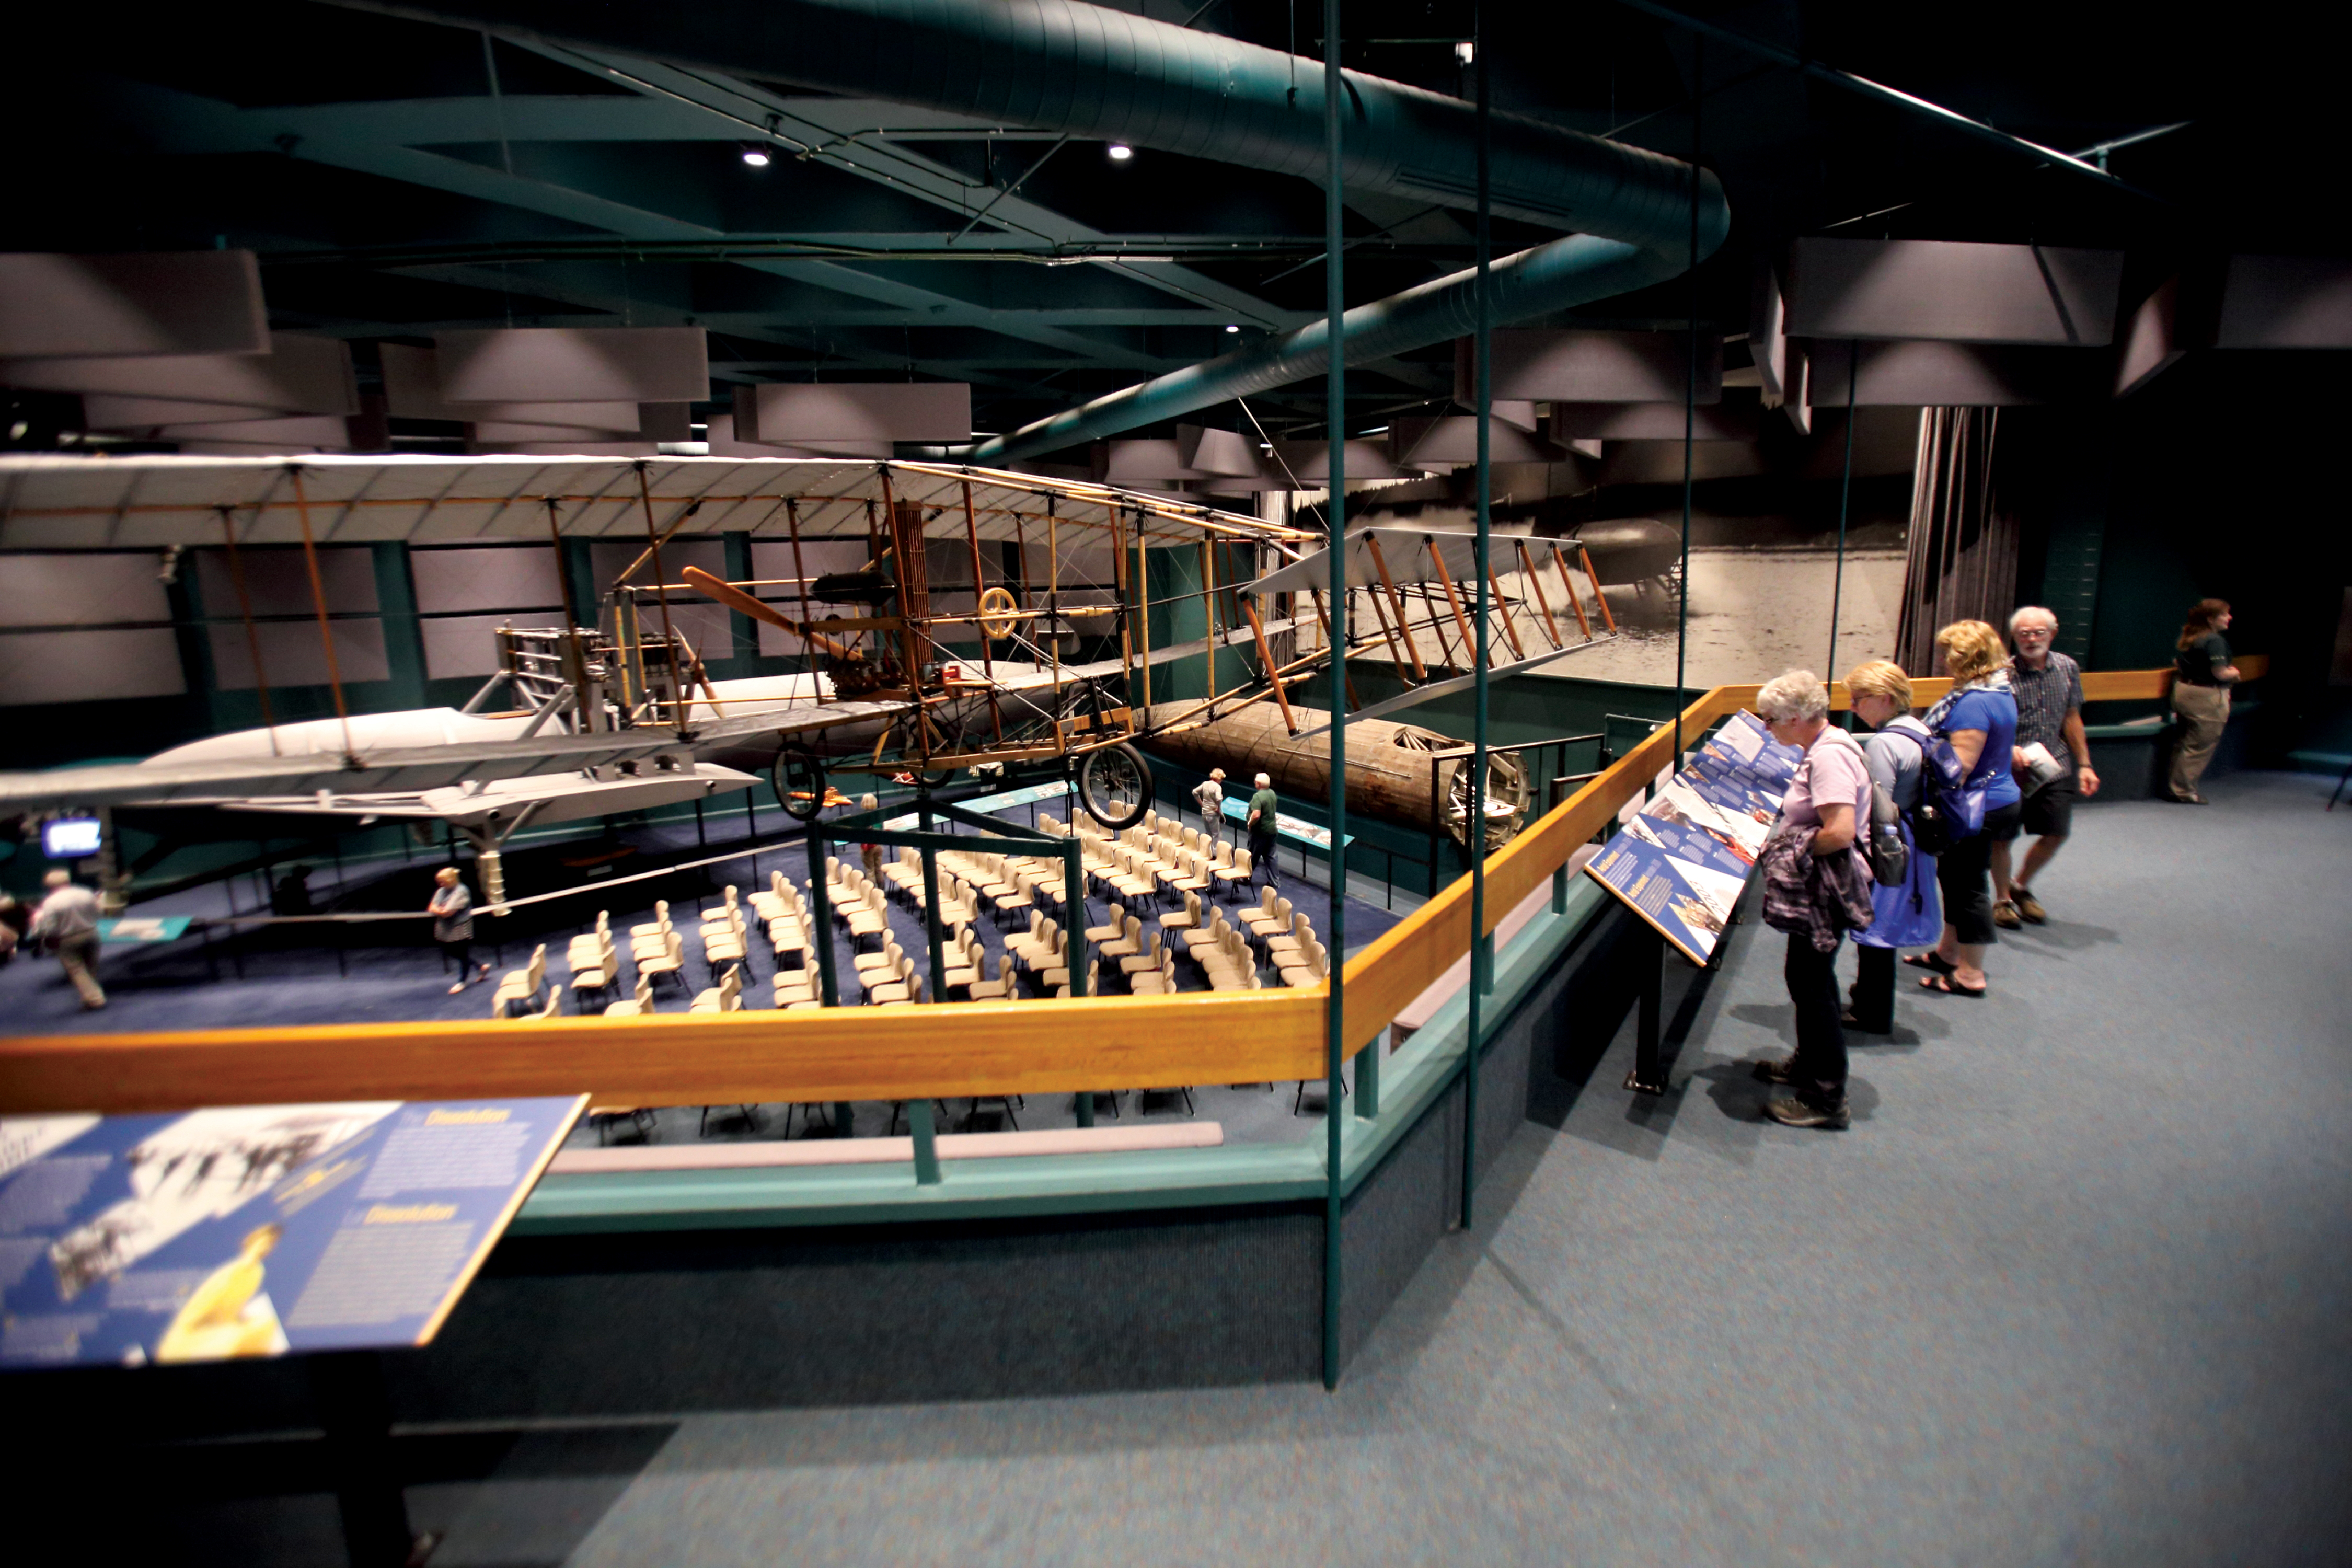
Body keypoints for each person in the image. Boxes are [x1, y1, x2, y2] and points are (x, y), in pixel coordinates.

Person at [1749, 670, 1874, 1130]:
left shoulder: (1828, 760)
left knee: (1812, 983)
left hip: (1827, 886)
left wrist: (1788, 851)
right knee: (1806, 978)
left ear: (1797, 718)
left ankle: (1825, 1095)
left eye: (1772, 720)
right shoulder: (1825, 746)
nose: (1767, 729)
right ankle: (1809, 1065)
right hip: (1822, 885)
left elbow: (1839, 833)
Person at [1911, 620, 2023, 999]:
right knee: (1956, 882)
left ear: (1966, 659)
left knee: (1969, 889)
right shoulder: (1999, 692)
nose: (1943, 660)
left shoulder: (1973, 703)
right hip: (1997, 801)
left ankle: (1971, 974)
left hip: (1977, 808)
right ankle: (1948, 953)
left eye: (1948, 654)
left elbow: (1959, 767)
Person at [1842, 659, 1940, 1034]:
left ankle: (1871, 1011)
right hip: (1914, 836)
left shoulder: (1885, 743)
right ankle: (1871, 1001)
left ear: (1884, 698)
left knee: (1877, 930)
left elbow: (1876, 805)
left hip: (1891, 843)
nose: (1853, 707)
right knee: (1885, 926)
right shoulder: (1919, 730)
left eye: (1859, 699)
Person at [1992, 608, 2099, 927]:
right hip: (2010, 767)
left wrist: (2085, 765)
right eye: (2024, 634)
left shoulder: (2067, 667)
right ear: (2014, 637)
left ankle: (2020, 886)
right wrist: (2006, 749)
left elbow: (2072, 718)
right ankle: (2002, 901)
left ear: (2052, 633)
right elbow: (1991, 722)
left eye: (2038, 632)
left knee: (2056, 832)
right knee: (2003, 838)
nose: (2031, 639)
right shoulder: (2001, 673)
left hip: (2056, 764)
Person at [2169, 598, 2239, 804]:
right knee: (2199, 746)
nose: (2229, 618)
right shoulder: (2215, 641)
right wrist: (2234, 672)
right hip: (2206, 698)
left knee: (2185, 742)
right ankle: (2183, 791)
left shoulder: (2193, 637)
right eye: (2225, 614)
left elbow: (2179, 663)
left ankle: (2175, 787)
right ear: (2211, 619)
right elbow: (2220, 673)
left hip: (2184, 692)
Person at [30, 868, 105, 1009]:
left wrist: (44, 937)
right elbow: (99, 912)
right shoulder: (86, 893)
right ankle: (88, 997)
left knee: (77, 970)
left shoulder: (51, 902)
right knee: (91, 968)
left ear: (49, 885)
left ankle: (96, 999)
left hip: (67, 940)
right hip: (91, 933)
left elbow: (49, 927)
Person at [429, 866, 490, 995]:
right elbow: (432, 907)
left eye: (443, 881)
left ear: (451, 880)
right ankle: (480, 967)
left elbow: (448, 912)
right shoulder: (442, 891)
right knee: (451, 952)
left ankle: (462, 981)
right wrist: (440, 910)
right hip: (446, 929)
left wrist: (439, 910)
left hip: (460, 927)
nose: (440, 885)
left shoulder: (461, 891)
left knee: (462, 954)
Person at [1244, 771, 1280, 890]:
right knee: (1272, 856)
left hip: (1259, 832)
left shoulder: (1258, 797)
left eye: (1256, 781)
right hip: (1272, 830)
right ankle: (1275, 882)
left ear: (1259, 784)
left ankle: (1246, 877)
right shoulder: (1272, 794)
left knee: (1252, 855)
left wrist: (1250, 824)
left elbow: (1256, 815)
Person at [1193, 768, 1227, 846]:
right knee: (1216, 835)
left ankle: (1207, 851)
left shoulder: (1205, 784)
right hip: (1213, 814)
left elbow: (1195, 792)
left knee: (1208, 834)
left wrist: (1202, 804)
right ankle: (1214, 854)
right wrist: (1218, 809)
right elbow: (1219, 799)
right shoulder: (1218, 787)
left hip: (1205, 812)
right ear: (1219, 778)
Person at [857, 794, 884, 883]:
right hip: (879, 845)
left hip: (869, 847)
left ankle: (872, 893)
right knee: (878, 869)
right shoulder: (878, 814)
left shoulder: (864, 817)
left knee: (870, 870)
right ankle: (881, 891)